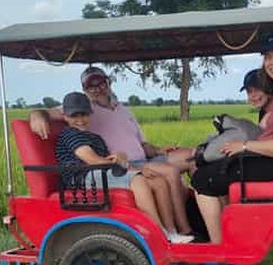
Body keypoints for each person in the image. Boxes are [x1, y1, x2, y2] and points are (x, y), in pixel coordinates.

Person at [191, 33, 273, 244]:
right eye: (268, 57)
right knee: (220, 170)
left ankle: (218, 247)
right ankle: (232, 234)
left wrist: (244, 145)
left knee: (202, 179)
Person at [30, 66, 195, 239]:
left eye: (101, 83)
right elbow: (92, 159)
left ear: (108, 83)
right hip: (98, 172)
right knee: (163, 173)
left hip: (125, 163)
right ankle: (168, 231)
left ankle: (173, 232)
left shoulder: (118, 112)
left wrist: (157, 150)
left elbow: (140, 143)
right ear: (85, 90)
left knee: (191, 157)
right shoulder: (77, 115)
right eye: (91, 86)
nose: (97, 89)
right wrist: (37, 115)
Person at [55, 92, 194, 244]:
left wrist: (127, 163)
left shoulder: (96, 138)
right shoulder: (70, 134)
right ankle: (158, 232)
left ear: (90, 114)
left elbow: (110, 162)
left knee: (158, 181)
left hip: (99, 173)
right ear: (65, 116)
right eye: (75, 116)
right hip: (81, 177)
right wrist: (133, 170)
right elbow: (92, 160)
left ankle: (172, 231)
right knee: (138, 180)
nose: (80, 120)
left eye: (84, 115)